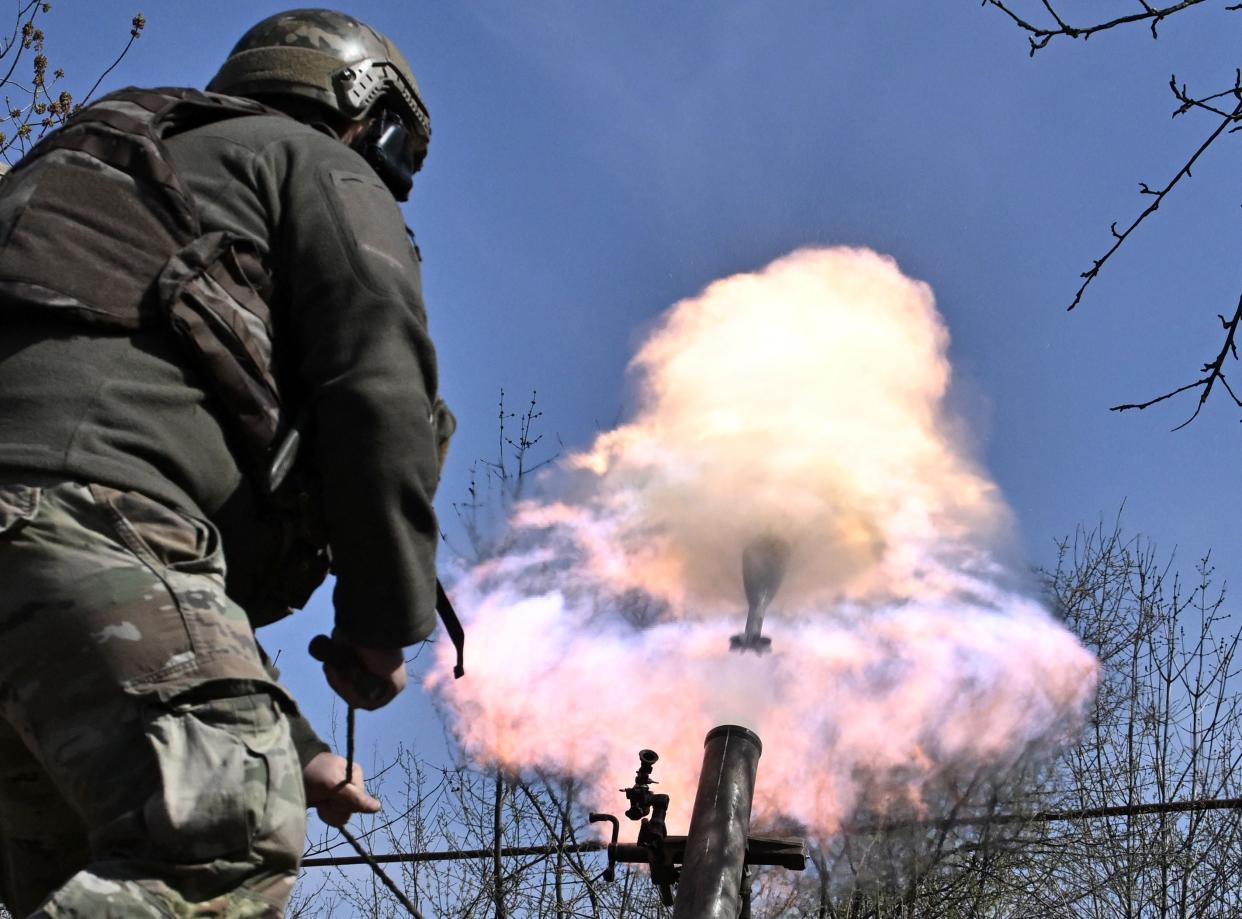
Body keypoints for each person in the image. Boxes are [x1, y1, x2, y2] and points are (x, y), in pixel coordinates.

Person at [0, 7, 455, 915]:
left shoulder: (88, 165)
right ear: (364, 109)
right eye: (399, 154)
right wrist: (381, 618)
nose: (395, 182)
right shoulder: (314, 161)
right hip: (84, 516)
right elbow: (383, 390)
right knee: (230, 831)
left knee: (87, 867)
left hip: (49, 572)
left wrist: (299, 749)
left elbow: (148, 624)